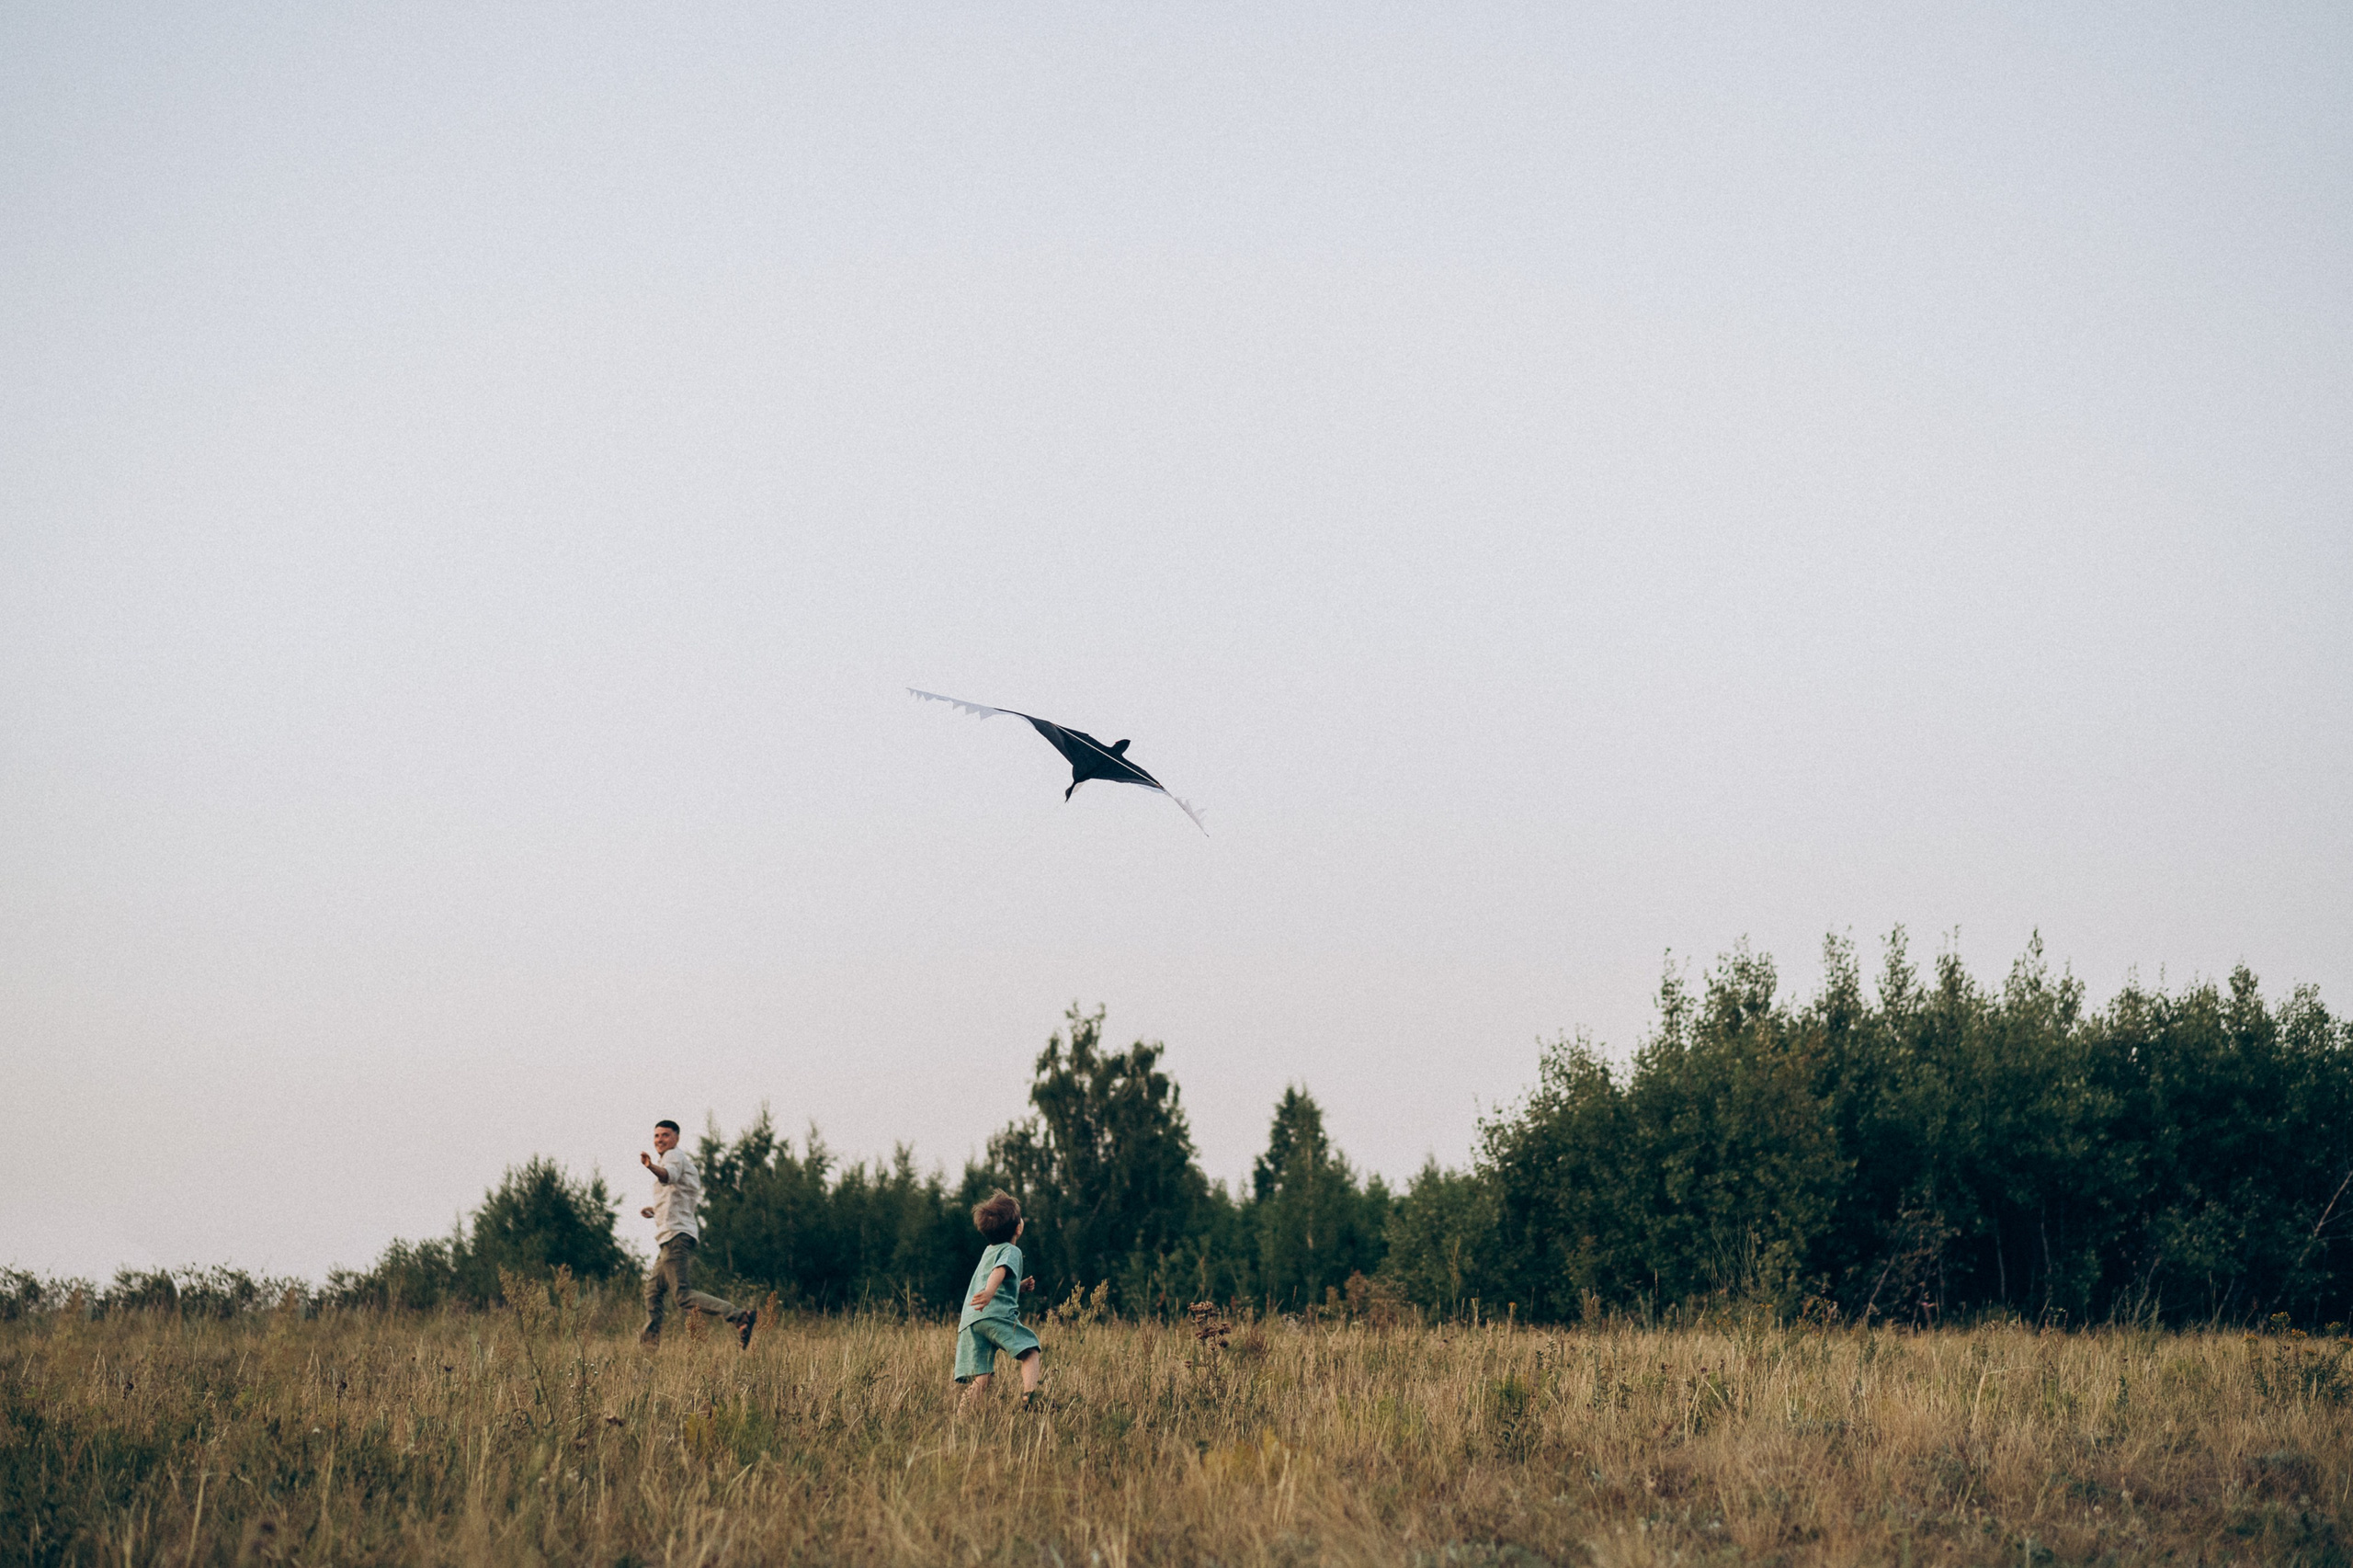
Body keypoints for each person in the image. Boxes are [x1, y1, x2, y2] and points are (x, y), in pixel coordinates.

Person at [637, 1119, 756, 1349]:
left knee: (682, 1295)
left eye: (665, 1135)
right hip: (670, 1236)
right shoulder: (677, 1160)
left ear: (676, 1138)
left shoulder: (673, 1157)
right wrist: (655, 1210)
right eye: (656, 1136)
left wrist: (650, 1166)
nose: (659, 1140)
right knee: (652, 1291)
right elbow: (679, 1196)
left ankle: (739, 1315)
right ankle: (648, 1349)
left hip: (675, 1237)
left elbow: (668, 1176)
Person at [955, 1190, 1043, 1409]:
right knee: (1031, 1350)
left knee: (982, 1378)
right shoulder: (1011, 1251)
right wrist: (989, 1293)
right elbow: (999, 1271)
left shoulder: (989, 1250)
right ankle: (1030, 1397)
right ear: (1018, 1228)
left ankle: (960, 1419)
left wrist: (1018, 1286)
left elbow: (998, 1276)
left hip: (971, 1320)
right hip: (993, 1313)